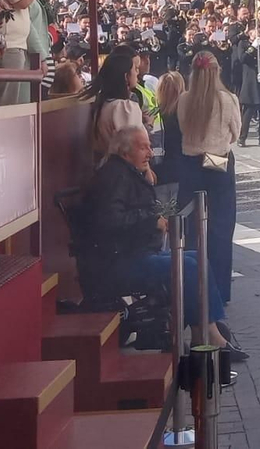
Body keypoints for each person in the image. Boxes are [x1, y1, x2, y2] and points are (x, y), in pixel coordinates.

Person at [80, 126, 242, 356]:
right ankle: (208, 334)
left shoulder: (126, 172)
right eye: (143, 147)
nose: (149, 152)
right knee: (187, 266)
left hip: (133, 252)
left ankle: (204, 331)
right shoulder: (115, 176)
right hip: (120, 261)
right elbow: (109, 220)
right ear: (125, 152)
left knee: (196, 258)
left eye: (149, 146)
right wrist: (151, 220)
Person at [178, 50, 242, 302]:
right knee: (221, 228)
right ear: (217, 72)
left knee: (194, 227)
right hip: (217, 161)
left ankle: (195, 287)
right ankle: (219, 290)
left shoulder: (184, 99)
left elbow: (182, 127)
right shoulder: (227, 99)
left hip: (190, 162)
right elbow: (235, 132)